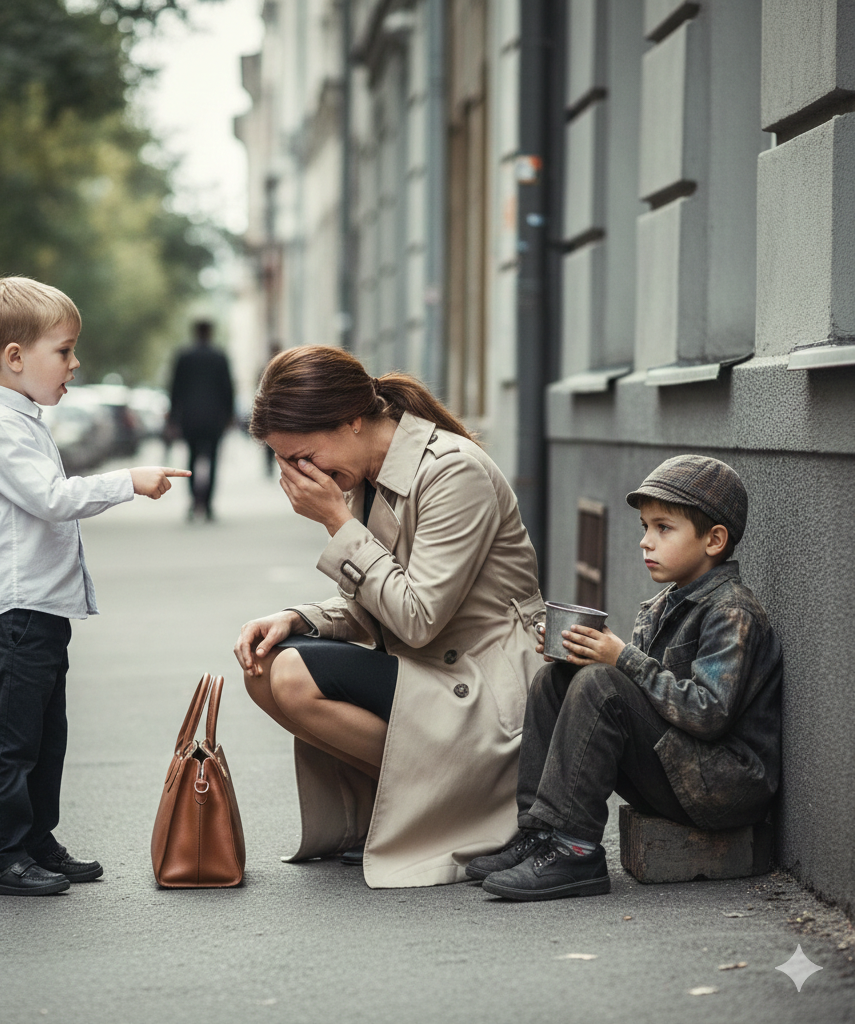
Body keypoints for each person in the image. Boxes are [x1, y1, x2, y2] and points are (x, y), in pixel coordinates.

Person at [233, 345, 546, 888]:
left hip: (485, 690)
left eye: (303, 456)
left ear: (351, 420)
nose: (301, 475)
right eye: (286, 463)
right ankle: (406, 808)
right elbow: (379, 602)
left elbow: (417, 618)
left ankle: (461, 804)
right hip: (431, 668)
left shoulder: (452, 471)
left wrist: (338, 524)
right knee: (264, 665)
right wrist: (299, 619)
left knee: (292, 676)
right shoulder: (366, 475)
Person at [0, 276, 189, 896]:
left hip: (38, 609)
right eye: (63, 350)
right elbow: (53, 499)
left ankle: (34, 841)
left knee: (44, 738)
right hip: (13, 611)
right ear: (15, 357)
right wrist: (128, 480)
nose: (75, 363)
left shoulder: (21, 421)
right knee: (10, 742)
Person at [468, 455, 783, 901]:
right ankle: (540, 833)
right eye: (645, 527)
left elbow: (709, 713)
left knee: (602, 685)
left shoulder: (732, 611)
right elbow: (640, 700)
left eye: (663, 528)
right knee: (556, 680)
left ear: (714, 540)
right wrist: (580, 656)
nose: (645, 542)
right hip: (678, 769)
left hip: (722, 786)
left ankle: (575, 850)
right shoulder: (660, 607)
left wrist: (621, 659)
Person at [167, 320, 235, 520]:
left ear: (195, 332)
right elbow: (228, 388)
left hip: (190, 419)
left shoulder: (184, 356)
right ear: (210, 333)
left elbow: (175, 388)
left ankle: (193, 502)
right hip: (214, 419)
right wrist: (229, 415)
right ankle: (208, 505)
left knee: (191, 459)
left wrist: (173, 418)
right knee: (213, 460)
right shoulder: (219, 357)